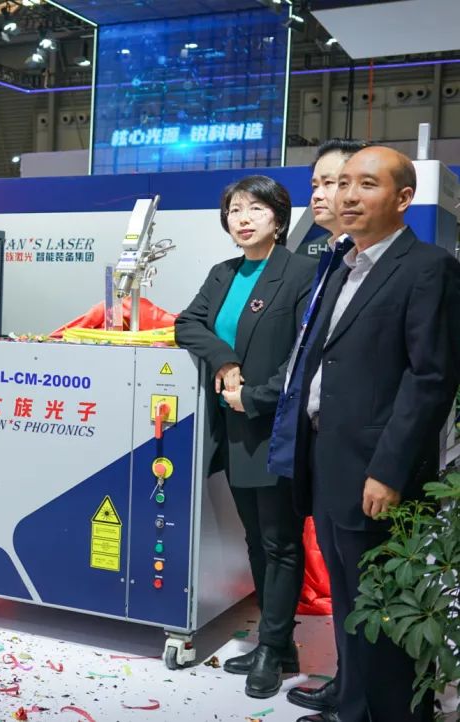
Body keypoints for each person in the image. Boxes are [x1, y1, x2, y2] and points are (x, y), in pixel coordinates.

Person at [287, 146, 460, 722]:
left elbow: (430, 379)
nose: (348, 196)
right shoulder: (344, 264)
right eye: (343, 185)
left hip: (379, 473)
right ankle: (353, 706)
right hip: (331, 460)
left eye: (366, 184)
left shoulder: (427, 267)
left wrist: (388, 470)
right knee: (350, 604)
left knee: (382, 611)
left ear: (403, 198)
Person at [174, 175, 316, 698]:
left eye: (256, 208)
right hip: (231, 428)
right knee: (257, 538)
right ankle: (276, 644)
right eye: (235, 209)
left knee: (280, 541)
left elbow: (303, 356)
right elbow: (187, 324)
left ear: (278, 218)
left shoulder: (301, 273)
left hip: (273, 426)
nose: (243, 218)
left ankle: (274, 647)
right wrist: (224, 360)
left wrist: (253, 396)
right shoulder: (224, 273)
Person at [268, 137, 366, 716]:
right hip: (319, 443)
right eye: (318, 184)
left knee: (358, 579)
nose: (324, 194)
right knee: (342, 576)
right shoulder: (332, 259)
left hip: (358, 452)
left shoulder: (393, 267)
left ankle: (360, 695)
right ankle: (347, 684)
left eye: (336, 182)